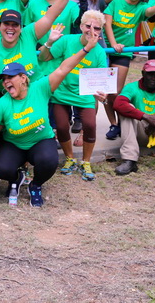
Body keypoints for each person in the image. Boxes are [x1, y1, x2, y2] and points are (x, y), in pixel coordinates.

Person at [0, 31, 100, 207]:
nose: (6, 82)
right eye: (4, 79)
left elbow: (64, 67)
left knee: (49, 161)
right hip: (15, 144)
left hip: (41, 141)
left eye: (10, 77)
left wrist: (86, 49)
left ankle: (35, 185)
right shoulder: (2, 103)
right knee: (2, 168)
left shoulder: (40, 88)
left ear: (23, 78)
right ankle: (17, 178)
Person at [40, 10, 109, 181]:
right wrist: (49, 41)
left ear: (101, 32)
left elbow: (101, 80)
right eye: (88, 26)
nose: (92, 30)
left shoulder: (99, 51)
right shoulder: (67, 41)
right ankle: (70, 158)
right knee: (62, 127)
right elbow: (43, 57)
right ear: (80, 26)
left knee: (90, 125)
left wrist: (102, 94)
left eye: (97, 28)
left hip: (84, 93)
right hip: (61, 91)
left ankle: (86, 161)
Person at [103, 0, 155, 140]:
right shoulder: (118, 0)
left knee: (116, 92)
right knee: (105, 92)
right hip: (105, 49)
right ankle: (113, 124)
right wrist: (113, 44)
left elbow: (151, 10)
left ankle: (121, 122)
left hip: (123, 52)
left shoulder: (140, 8)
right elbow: (107, 24)